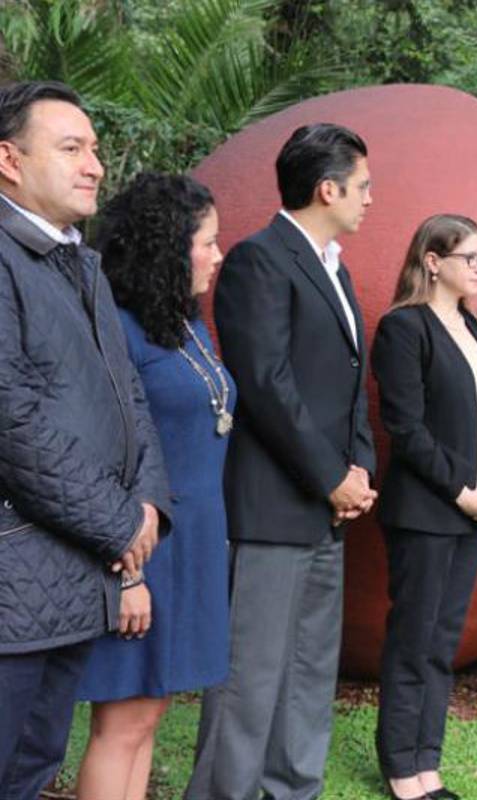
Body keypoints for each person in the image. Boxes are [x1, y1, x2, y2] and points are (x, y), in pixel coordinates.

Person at [185, 123, 377, 800]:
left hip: (327, 510)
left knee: (309, 674)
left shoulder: (335, 268)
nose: (369, 199)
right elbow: (266, 384)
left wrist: (359, 470)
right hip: (271, 507)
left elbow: (348, 382)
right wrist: (330, 477)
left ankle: (294, 789)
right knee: (248, 678)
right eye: (362, 186)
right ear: (327, 189)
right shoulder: (259, 261)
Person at [0, 81, 170, 799]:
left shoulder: (80, 262)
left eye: (95, 149)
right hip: (15, 575)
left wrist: (150, 503)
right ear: (9, 160)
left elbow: (130, 394)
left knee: (33, 767)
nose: (95, 166)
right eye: (71, 148)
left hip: (72, 577)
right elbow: (11, 418)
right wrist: (118, 521)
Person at [73, 172, 233, 800]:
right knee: (121, 722)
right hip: (143, 550)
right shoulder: (116, 330)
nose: (218, 255)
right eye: (208, 242)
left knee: (150, 715)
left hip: (195, 544)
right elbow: (105, 459)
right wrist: (128, 576)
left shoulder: (186, 323)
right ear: (168, 248)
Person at [372, 214, 477, 800]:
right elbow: (405, 429)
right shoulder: (404, 329)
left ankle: (427, 761)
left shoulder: (476, 327)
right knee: (414, 639)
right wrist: (461, 491)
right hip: (427, 512)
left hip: (476, 511)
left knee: (443, 642)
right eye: (470, 258)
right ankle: (400, 767)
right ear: (433, 262)